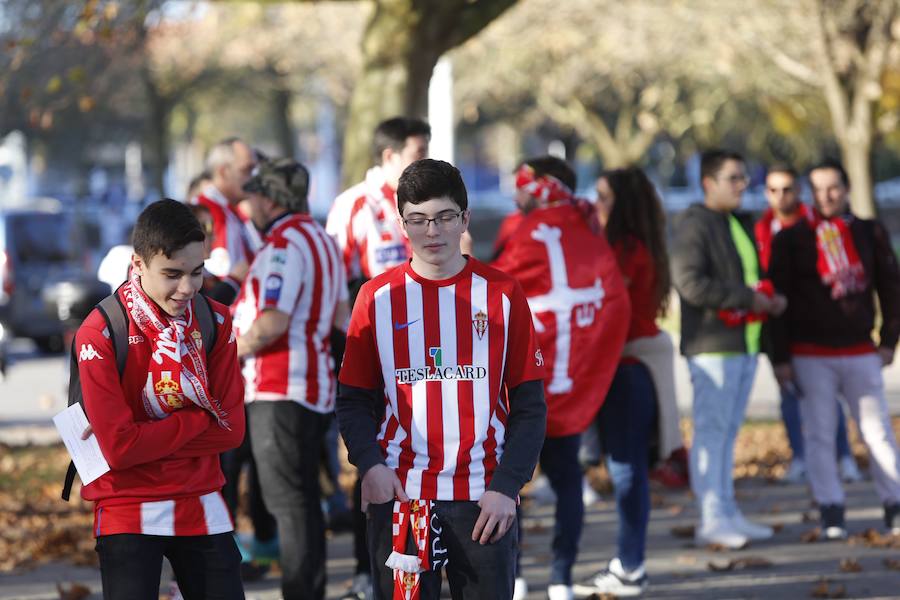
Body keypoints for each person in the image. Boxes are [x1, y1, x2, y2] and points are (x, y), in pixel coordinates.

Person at [336, 158, 547, 599]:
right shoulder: (376, 298)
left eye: (444, 217)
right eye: (418, 219)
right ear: (402, 224)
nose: (432, 231)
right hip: (402, 497)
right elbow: (353, 399)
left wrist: (507, 487)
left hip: (483, 499)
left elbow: (529, 405)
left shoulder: (503, 294)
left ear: (464, 219)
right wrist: (370, 465)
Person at [73, 199, 246, 599]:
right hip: (125, 506)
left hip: (202, 501)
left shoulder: (216, 320)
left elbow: (232, 432)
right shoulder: (100, 332)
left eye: (197, 273)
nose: (187, 288)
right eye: (172, 274)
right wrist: (199, 418)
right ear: (137, 265)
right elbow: (118, 448)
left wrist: (146, 436)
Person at [492, 156, 630, 600]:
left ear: (540, 188)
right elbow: (611, 301)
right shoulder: (588, 231)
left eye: (522, 187)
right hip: (567, 381)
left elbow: (491, 297)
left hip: (525, 389)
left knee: (507, 483)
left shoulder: (526, 232)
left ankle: (513, 577)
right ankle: (560, 578)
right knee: (565, 480)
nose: (516, 196)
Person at [233, 158, 349, 600]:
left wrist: (225, 352)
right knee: (300, 498)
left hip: (279, 387)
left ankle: (302, 593)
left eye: (253, 195)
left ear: (267, 198)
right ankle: (307, 590)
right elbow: (339, 316)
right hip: (313, 384)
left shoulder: (282, 245)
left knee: (290, 502)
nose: (249, 204)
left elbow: (273, 321)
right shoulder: (322, 240)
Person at [326, 116, 430, 599]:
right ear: (389, 156)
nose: (424, 158)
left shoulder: (427, 204)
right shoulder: (352, 206)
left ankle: (427, 567)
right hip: (373, 348)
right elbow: (335, 284)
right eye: (417, 150)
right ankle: (372, 571)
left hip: (430, 353)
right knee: (372, 458)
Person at [769, 159, 900, 539]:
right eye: (819, 189)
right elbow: (778, 300)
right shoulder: (792, 238)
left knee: (876, 431)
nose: (827, 197)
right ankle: (831, 509)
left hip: (860, 349)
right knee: (820, 434)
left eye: (834, 188)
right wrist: (780, 357)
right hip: (811, 353)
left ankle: (893, 502)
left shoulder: (868, 232)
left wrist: (889, 340)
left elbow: (890, 287)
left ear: (846, 189)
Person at [671, 149, 787, 549]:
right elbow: (689, 283)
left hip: (743, 344)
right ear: (709, 183)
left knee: (726, 433)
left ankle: (727, 510)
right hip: (713, 347)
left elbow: (750, 276)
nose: (743, 185)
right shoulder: (693, 225)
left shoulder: (734, 222)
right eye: (733, 178)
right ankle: (712, 517)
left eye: (743, 177)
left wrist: (765, 299)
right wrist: (747, 299)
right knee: (712, 434)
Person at [579, 166, 678, 597]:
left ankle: (631, 566)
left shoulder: (622, 248)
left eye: (603, 196)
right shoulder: (642, 244)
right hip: (635, 365)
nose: (595, 203)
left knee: (626, 470)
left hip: (624, 365)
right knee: (628, 469)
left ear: (623, 202)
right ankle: (630, 563)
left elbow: (609, 310)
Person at [755, 164, 860, 484]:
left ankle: (843, 457)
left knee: (828, 403)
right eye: (773, 190)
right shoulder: (761, 230)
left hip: (817, 329)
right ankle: (800, 457)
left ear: (798, 191)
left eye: (787, 189)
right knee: (790, 395)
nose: (780, 196)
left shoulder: (813, 228)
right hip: (779, 322)